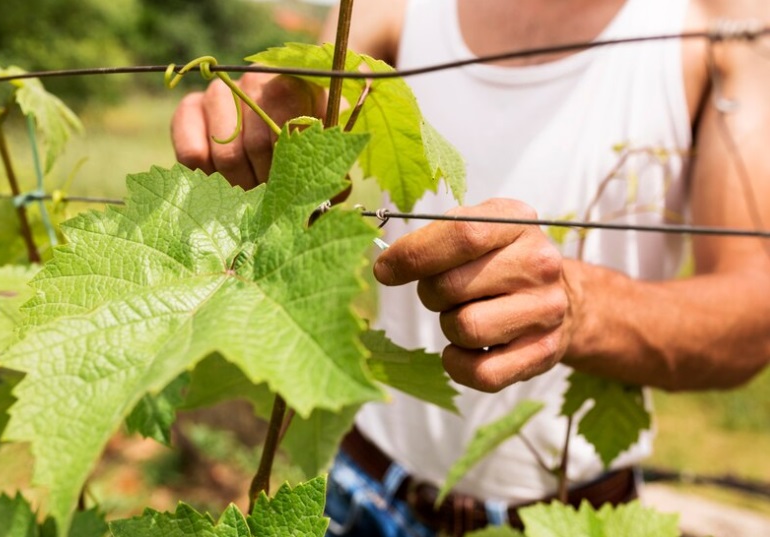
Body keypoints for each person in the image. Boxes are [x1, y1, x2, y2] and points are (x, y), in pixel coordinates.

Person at [172, 0, 770, 534]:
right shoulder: (389, 7)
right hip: (368, 491)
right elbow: (315, 110)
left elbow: (755, 313)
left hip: (577, 516)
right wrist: (264, 114)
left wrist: (581, 308)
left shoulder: (724, 24)